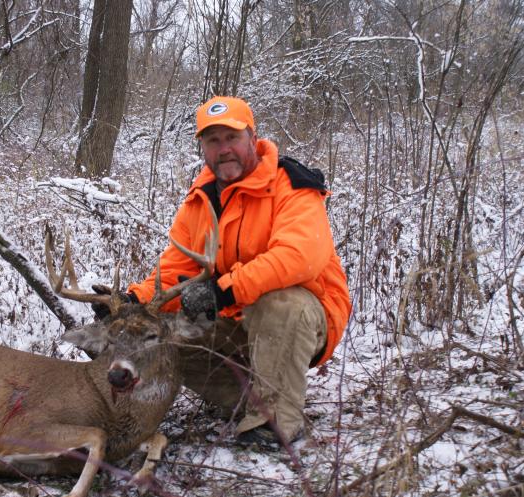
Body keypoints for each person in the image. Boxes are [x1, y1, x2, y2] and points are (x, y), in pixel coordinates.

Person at [103, 96, 352, 448]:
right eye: (213, 140)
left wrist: (224, 290)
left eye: (232, 138)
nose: (224, 149)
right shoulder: (201, 198)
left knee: (281, 302)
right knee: (164, 338)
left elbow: (300, 257)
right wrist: (134, 303)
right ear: (202, 147)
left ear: (252, 137)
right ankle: (251, 398)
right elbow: (177, 267)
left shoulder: (290, 185)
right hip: (237, 319)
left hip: (306, 315)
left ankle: (277, 420)